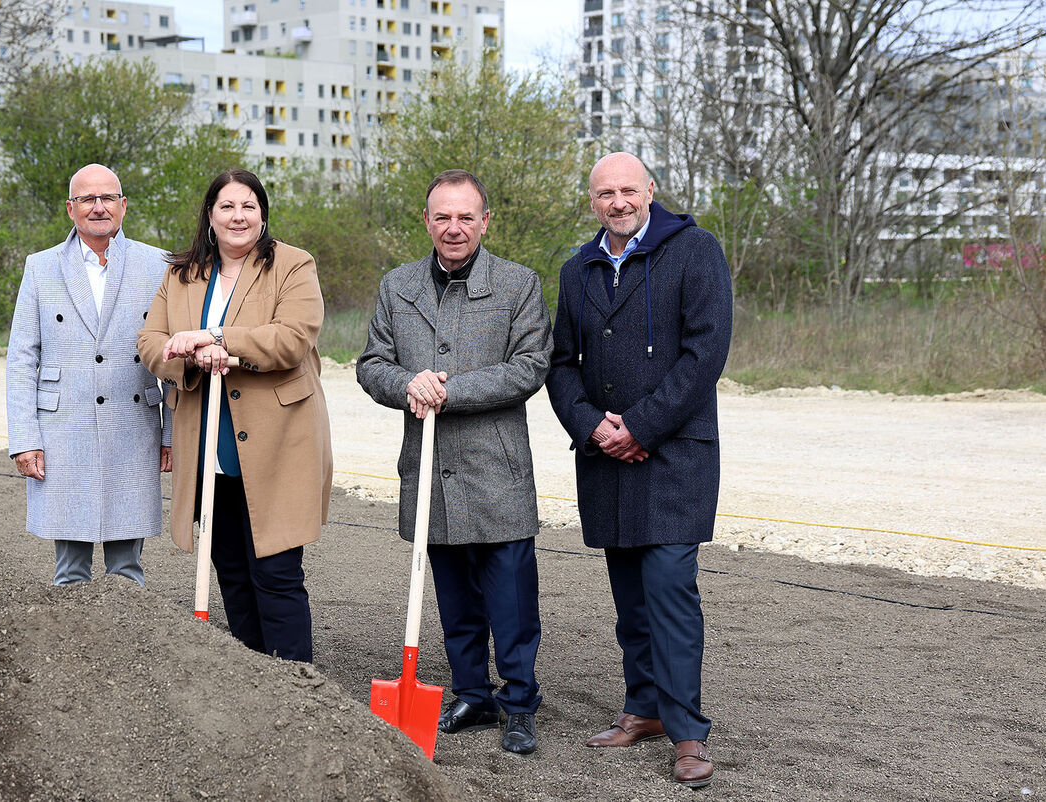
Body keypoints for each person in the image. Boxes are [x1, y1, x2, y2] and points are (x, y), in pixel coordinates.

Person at [545, 152, 733, 788]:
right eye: (605, 193)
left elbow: (705, 353)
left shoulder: (696, 250)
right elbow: (561, 365)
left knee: (670, 593)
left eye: (628, 189)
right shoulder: (578, 270)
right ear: (592, 201)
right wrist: (595, 427)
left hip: (675, 456)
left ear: (650, 190)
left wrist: (642, 426)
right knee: (630, 600)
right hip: (606, 459)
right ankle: (644, 709)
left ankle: (686, 734)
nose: (617, 201)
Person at [356, 169, 551, 756]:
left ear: (485, 221)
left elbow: (530, 365)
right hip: (431, 471)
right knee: (453, 598)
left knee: (511, 601)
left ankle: (519, 703)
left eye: (466, 216)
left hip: (497, 472)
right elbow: (371, 363)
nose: (454, 227)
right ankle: (472, 691)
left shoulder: (518, 285)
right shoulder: (398, 286)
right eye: (442, 216)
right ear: (427, 221)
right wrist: (406, 382)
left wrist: (449, 390)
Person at [137, 168, 332, 663]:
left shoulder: (292, 264)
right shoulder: (181, 274)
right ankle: (253, 683)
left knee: (276, 571)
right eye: (227, 206)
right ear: (209, 215)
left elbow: (293, 337)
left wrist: (218, 339)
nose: (237, 216)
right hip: (208, 444)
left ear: (263, 214)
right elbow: (150, 343)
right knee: (230, 571)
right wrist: (189, 357)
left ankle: (297, 687)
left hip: (277, 442)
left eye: (248, 206)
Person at [6, 163, 172, 587]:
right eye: (87, 199)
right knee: (70, 570)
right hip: (63, 432)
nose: (99, 207)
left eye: (108, 198)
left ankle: (132, 648)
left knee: (128, 569)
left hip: (133, 426)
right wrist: (25, 440)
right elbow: (22, 358)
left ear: (123, 205)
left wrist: (171, 435)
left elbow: (171, 356)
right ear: (70, 208)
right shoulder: (40, 268)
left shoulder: (158, 264)